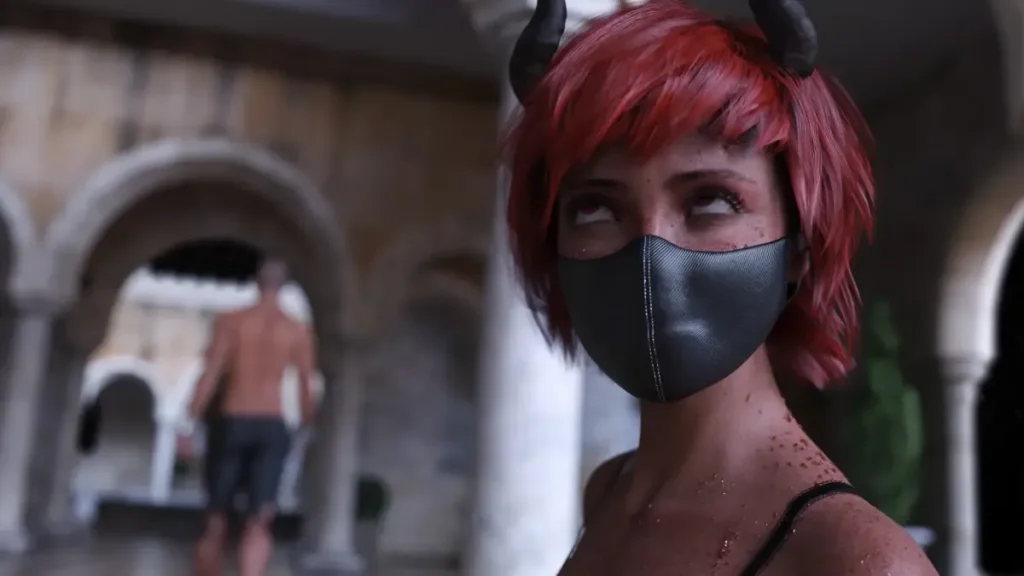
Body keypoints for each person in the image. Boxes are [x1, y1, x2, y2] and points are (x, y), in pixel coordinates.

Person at [503, 1, 939, 574]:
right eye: (595, 208)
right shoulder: (609, 490)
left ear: (797, 248)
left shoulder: (855, 560)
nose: (651, 253)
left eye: (710, 200)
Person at [179, 257, 318, 576]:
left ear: (256, 282)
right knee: (260, 519)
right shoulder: (297, 330)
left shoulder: (233, 321)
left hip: (233, 419)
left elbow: (211, 373)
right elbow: (305, 385)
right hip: (272, 423)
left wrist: (189, 423)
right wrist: (307, 430)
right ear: (285, 286)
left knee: (216, 517)